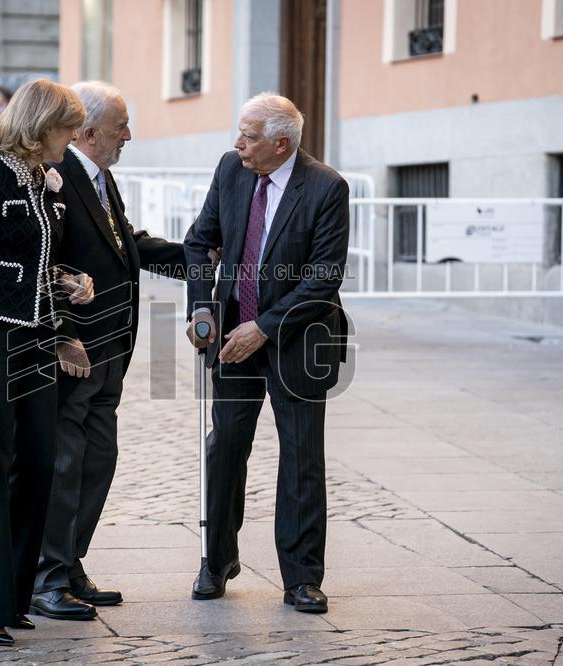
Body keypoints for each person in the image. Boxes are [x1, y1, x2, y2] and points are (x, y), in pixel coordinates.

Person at [183, 93, 350, 614]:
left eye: (248, 136)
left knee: (301, 457)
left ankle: (302, 578)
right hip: (233, 337)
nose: (238, 144)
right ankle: (216, 561)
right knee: (225, 449)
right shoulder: (231, 171)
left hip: (300, 340)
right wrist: (200, 310)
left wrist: (266, 327)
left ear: (282, 143)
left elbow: (325, 277)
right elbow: (197, 242)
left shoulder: (326, 187)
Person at [0, 78, 93, 646]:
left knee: (38, 463)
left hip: (38, 342)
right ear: (40, 124)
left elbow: (38, 266)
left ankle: (14, 595)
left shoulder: (45, 181)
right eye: (66, 128)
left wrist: (70, 295)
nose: (72, 139)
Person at [30, 81, 189, 620]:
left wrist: (195, 256)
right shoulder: (56, 178)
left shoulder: (100, 177)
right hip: (74, 350)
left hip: (111, 348)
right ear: (89, 132)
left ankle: (70, 565)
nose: (130, 135)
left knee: (98, 458)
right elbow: (41, 263)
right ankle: (45, 578)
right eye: (122, 126)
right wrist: (60, 334)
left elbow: (126, 241)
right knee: (66, 462)